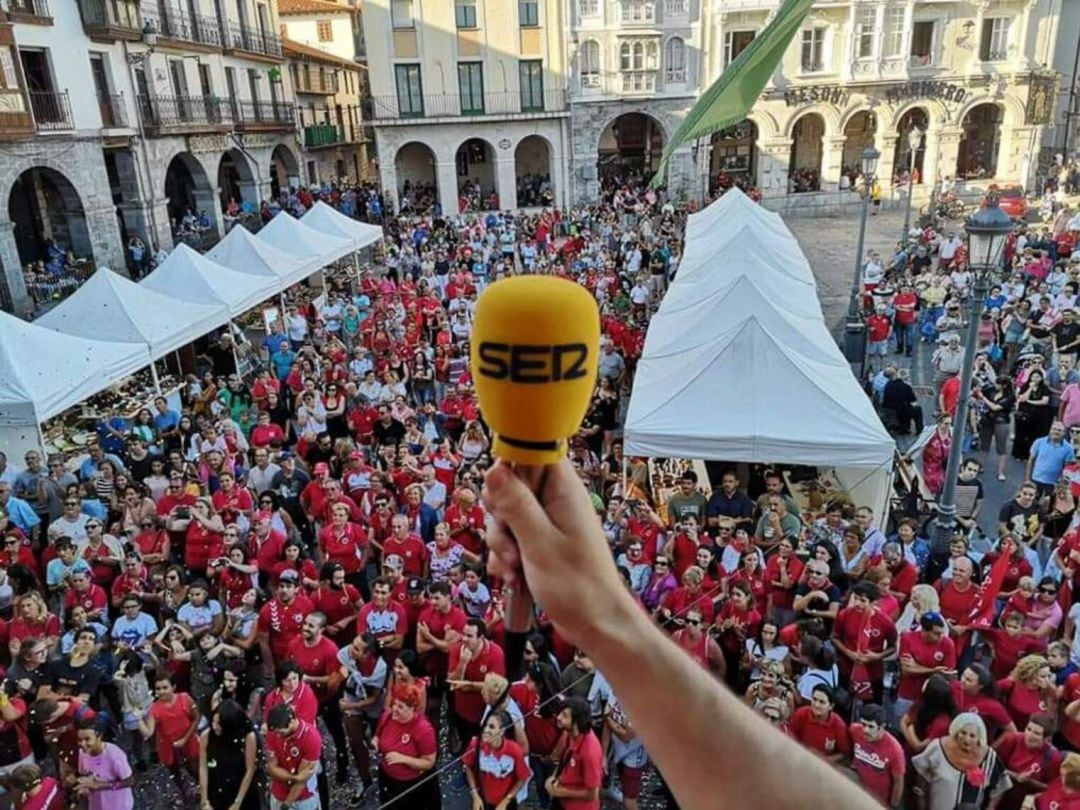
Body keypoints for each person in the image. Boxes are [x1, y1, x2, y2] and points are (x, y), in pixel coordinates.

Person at [912, 713, 1012, 809]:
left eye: (972, 736)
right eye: (963, 733)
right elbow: (921, 775)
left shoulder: (989, 757)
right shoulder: (937, 748)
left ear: (979, 738)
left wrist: (991, 807)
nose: (967, 739)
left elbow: (1000, 784)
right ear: (956, 732)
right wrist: (921, 799)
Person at [373, 684, 439, 808]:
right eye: (394, 704)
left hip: (411, 784)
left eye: (400, 707)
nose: (394, 709)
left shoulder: (423, 729)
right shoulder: (388, 716)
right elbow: (377, 735)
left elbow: (429, 763)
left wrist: (402, 758)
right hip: (388, 777)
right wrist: (375, 742)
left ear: (412, 709)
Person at [463, 709, 531, 810]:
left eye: (491, 727)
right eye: (485, 725)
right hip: (482, 799)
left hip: (505, 803)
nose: (486, 730)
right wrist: (474, 795)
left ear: (502, 730)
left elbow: (523, 777)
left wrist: (506, 801)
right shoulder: (475, 744)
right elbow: (468, 766)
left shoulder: (514, 751)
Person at [199, 699, 258, 810]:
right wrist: (204, 800)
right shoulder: (207, 736)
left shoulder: (248, 737)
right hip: (215, 788)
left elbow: (250, 769)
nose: (214, 726)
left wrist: (238, 802)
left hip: (240, 789)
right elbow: (203, 767)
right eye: (213, 722)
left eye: (219, 724)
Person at [265, 703, 321, 810]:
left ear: (291, 722)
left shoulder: (312, 738)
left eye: (281, 733)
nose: (278, 736)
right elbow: (272, 767)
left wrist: (286, 805)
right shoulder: (273, 731)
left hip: (303, 799)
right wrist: (294, 777)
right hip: (278, 795)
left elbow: (303, 779)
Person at [849, 703, 905, 808]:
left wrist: (892, 806)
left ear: (882, 727)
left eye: (871, 726)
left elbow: (898, 781)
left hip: (878, 801)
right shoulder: (855, 730)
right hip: (857, 792)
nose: (865, 730)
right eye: (863, 724)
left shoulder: (895, 750)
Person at [74, 721, 133, 810]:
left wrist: (100, 785)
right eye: (79, 740)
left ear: (99, 737)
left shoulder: (114, 755)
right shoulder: (83, 752)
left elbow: (129, 781)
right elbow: (84, 774)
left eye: (87, 739)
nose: (82, 744)